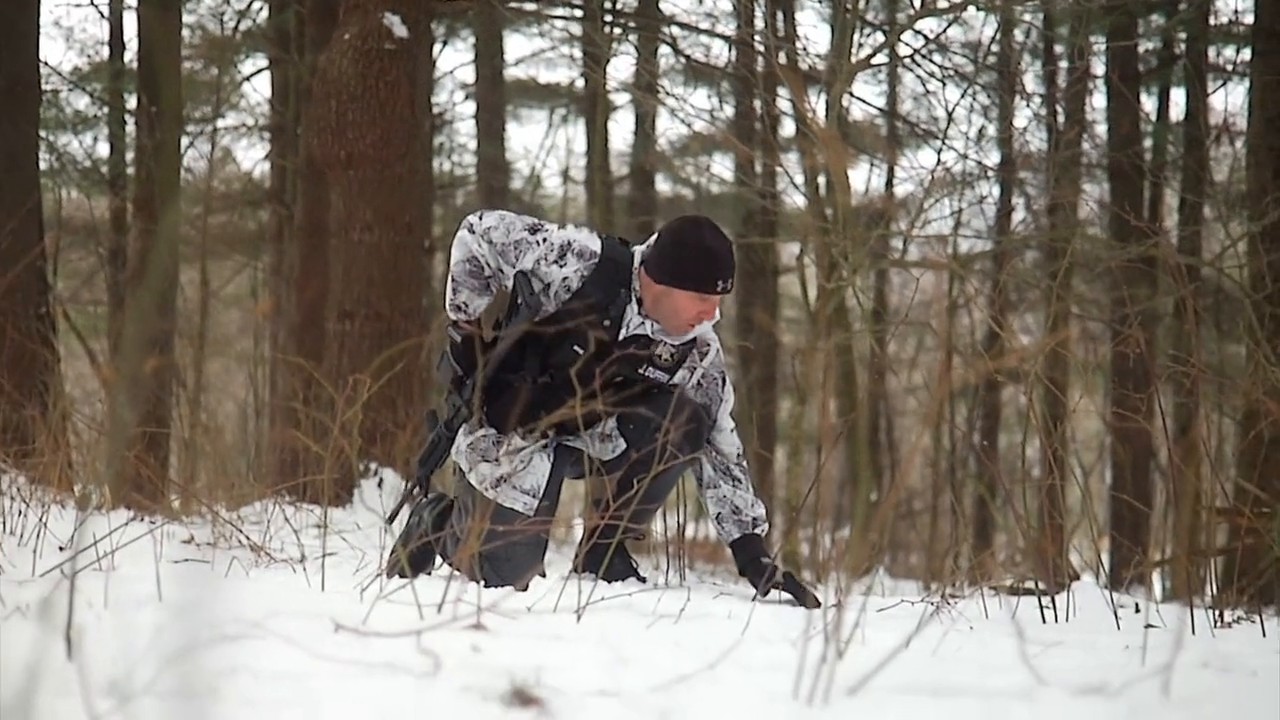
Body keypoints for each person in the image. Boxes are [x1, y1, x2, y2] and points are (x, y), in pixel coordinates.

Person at [385, 209, 821, 609]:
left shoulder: (697, 349)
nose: (712, 314)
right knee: (503, 575)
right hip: (514, 434)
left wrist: (751, 554)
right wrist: (465, 330)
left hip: (593, 437)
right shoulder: (580, 263)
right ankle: (438, 521)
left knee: (690, 419)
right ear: (660, 282)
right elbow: (479, 232)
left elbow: (721, 447)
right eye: (702, 298)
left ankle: (603, 552)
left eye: (719, 301)